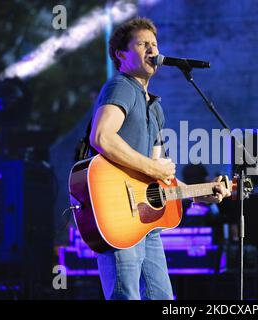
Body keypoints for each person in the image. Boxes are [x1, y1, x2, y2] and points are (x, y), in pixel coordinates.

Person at [88, 17, 231, 300]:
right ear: (121, 54)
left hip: (145, 221)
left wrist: (202, 193)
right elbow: (102, 137)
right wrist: (153, 166)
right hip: (117, 215)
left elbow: (159, 180)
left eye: (154, 44)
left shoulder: (154, 107)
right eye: (142, 44)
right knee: (126, 296)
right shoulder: (122, 87)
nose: (152, 50)